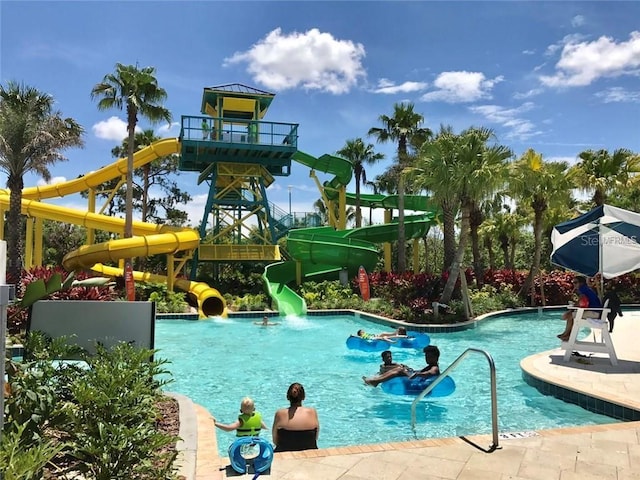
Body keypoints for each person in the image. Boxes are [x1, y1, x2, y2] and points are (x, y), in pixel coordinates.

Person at [272, 382, 319, 452]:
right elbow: (316, 437)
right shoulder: (312, 412)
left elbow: (275, 440)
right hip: (310, 451)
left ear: (287, 397)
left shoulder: (280, 414)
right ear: (303, 397)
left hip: (284, 451)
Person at [363, 345, 440, 387]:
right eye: (426, 356)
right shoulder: (430, 365)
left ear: (436, 357)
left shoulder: (434, 368)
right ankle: (376, 379)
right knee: (400, 368)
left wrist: (418, 374)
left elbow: (430, 373)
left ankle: (376, 381)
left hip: (416, 382)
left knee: (400, 370)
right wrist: (412, 371)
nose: (427, 358)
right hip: (416, 378)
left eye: (429, 357)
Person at [557, 276, 602, 342]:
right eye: (573, 283)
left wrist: (572, 307)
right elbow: (584, 302)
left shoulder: (582, 289)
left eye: (575, 282)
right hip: (596, 312)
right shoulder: (587, 289)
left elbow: (581, 302)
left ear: (581, 283)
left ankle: (566, 334)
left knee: (570, 316)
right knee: (572, 316)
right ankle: (567, 335)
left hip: (594, 312)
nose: (574, 284)